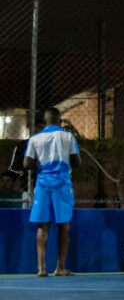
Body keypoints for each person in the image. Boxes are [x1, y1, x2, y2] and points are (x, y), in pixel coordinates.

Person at [23, 108, 81, 276]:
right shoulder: (68, 136)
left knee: (43, 225)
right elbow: (77, 161)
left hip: (43, 184)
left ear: (45, 121)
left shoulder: (35, 138)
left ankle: (41, 269)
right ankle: (60, 267)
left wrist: (41, 168)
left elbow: (27, 163)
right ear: (60, 120)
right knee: (64, 225)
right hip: (62, 184)